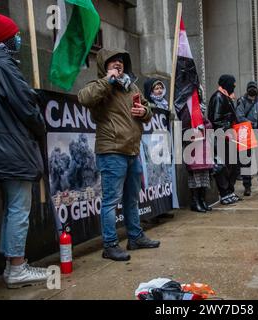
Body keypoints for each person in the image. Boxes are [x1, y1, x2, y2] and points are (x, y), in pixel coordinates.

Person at [0, 13, 49, 288]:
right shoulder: (3, 66)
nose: (18, 39)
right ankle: (18, 267)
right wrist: (39, 119)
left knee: (13, 207)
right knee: (20, 208)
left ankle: (13, 264)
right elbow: (25, 107)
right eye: (15, 36)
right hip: (13, 146)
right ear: (6, 40)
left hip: (0, 146)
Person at [78, 48, 160, 262]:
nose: (118, 64)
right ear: (104, 65)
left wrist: (145, 112)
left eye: (121, 61)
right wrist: (108, 80)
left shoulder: (131, 86)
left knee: (132, 199)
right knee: (110, 201)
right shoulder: (99, 86)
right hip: (112, 152)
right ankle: (110, 245)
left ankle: (135, 237)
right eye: (113, 61)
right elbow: (84, 98)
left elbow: (147, 108)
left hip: (132, 150)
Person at [176, 86, 214, 213]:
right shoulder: (187, 108)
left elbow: (208, 124)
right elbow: (184, 126)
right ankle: (195, 201)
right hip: (193, 145)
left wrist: (205, 125)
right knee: (195, 176)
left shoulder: (202, 107)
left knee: (204, 176)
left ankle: (202, 200)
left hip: (204, 145)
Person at [208, 75, 241, 205]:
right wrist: (228, 126)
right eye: (233, 84)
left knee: (232, 166)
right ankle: (224, 193)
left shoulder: (226, 97)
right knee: (223, 167)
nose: (234, 86)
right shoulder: (218, 97)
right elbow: (215, 120)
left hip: (229, 137)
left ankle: (230, 191)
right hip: (221, 138)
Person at [236, 81, 258, 196]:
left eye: (254, 88)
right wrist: (252, 124)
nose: (252, 90)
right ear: (247, 90)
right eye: (250, 88)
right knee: (245, 162)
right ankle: (247, 186)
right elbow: (239, 116)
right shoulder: (241, 101)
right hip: (245, 132)